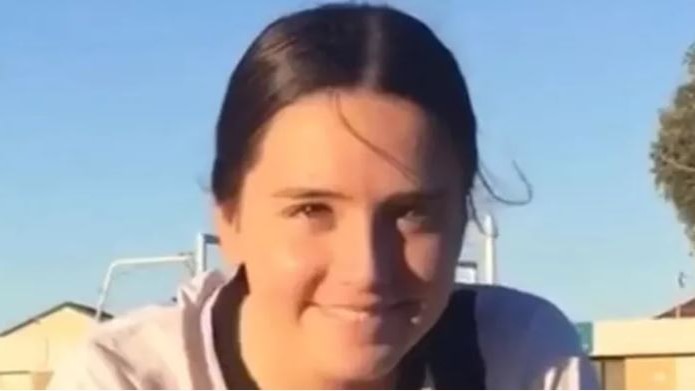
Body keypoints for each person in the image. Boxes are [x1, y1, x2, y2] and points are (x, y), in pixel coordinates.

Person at [49, 3, 598, 390]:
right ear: (229, 217)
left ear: (462, 216)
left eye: (411, 213)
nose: (367, 270)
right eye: (312, 209)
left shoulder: (521, 361)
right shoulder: (124, 378)